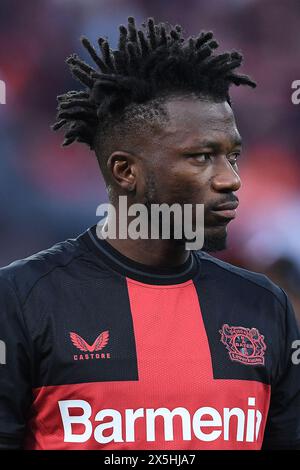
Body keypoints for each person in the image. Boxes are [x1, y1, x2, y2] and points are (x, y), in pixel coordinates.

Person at [0, 16, 299, 450]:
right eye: (201, 157)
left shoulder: (264, 306)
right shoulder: (22, 300)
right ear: (125, 171)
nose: (231, 179)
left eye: (232, 156)